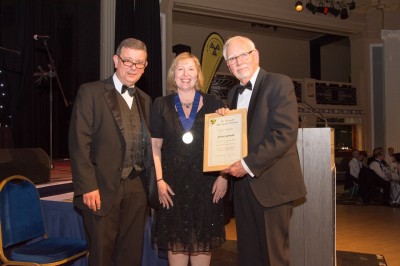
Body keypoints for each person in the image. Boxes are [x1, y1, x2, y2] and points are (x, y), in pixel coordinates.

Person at [217, 36, 307, 266]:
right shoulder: (232, 95)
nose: (238, 62)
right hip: (244, 188)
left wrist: (245, 165)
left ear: (255, 55)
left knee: (273, 258)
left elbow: (284, 133)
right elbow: (241, 136)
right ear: (227, 65)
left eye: (243, 55)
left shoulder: (279, 83)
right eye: (232, 59)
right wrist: (222, 124)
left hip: (272, 188)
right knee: (248, 255)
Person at [68, 38, 158, 266]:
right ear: (116, 60)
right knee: (101, 256)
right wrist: (88, 185)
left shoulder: (146, 100)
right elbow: (79, 143)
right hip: (101, 188)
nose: (133, 67)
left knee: (130, 255)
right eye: (128, 60)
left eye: (139, 63)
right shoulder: (91, 92)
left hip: (137, 187)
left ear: (145, 66)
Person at [150, 52, 227, 266]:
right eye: (180, 69)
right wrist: (159, 181)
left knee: (201, 241)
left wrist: (223, 176)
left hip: (206, 184)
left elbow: (224, 144)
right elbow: (155, 146)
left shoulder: (214, 103)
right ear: (173, 75)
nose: (185, 74)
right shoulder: (160, 104)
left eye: (191, 69)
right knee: (178, 242)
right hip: (171, 185)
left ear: (198, 75)